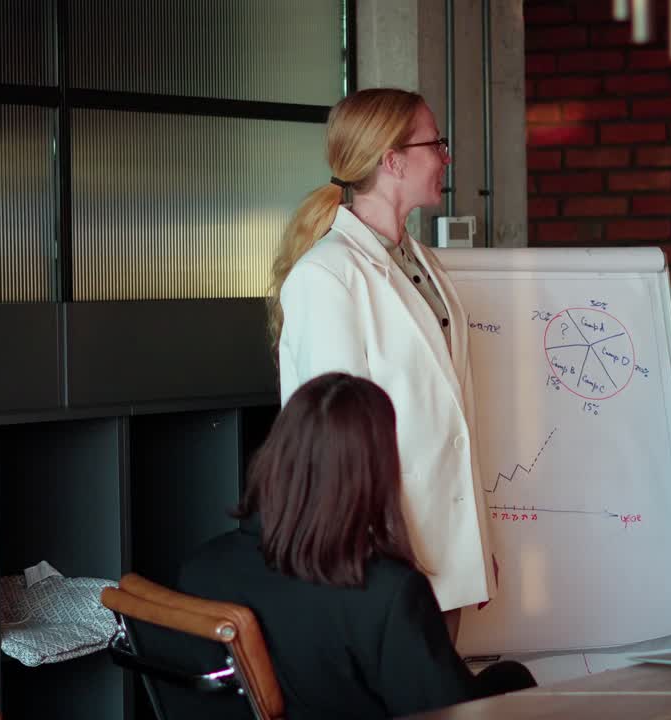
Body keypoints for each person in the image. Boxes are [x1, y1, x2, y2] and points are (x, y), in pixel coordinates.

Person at [179, 373, 535, 719]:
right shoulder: (387, 594)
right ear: (374, 473)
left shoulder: (201, 570)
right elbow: (449, 710)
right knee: (513, 678)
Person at [265, 88, 492, 630]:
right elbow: (336, 441)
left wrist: (474, 543)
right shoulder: (327, 275)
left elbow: (452, 415)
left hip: (442, 542)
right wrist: (376, 563)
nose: (446, 156)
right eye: (436, 143)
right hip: (379, 558)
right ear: (393, 160)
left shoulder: (421, 262)